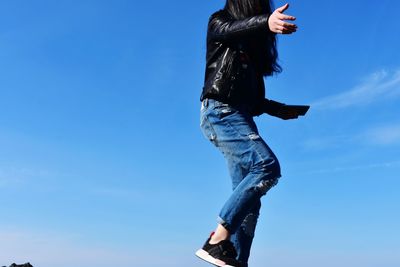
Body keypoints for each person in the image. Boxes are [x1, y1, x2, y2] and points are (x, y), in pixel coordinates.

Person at [196, 1, 304, 267]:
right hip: (220, 112)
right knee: (266, 166)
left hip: (241, 118)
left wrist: (281, 110)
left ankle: (234, 261)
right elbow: (229, 29)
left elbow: (254, 101)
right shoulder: (219, 21)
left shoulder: (251, 57)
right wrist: (265, 22)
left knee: (250, 203)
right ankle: (216, 241)